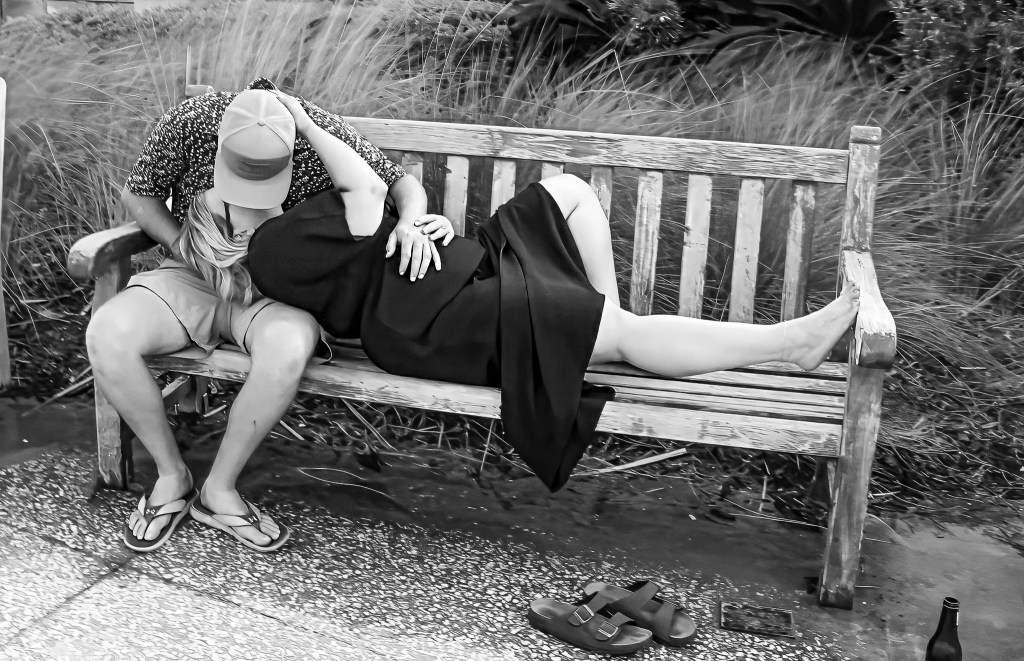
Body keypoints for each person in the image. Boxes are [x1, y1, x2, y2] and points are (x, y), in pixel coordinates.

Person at [181, 90, 862, 502]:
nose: (215, 186)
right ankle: (787, 345)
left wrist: (418, 222)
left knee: (568, 193)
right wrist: (303, 122)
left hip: (457, 271)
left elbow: (385, 210)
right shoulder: (273, 250)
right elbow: (367, 189)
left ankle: (598, 327)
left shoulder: (284, 227)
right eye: (215, 192)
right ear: (225, 223)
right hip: (435, 320)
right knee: (619, 335)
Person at [86, 80, 445, 553]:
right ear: (219, 143)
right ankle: (172, 477)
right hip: (193, 272)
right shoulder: (191, 121)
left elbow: (398, 183)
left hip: (273, 290)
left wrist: (411, 221)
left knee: (288, 347)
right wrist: (188, 250)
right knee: (107, 333)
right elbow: (141, 196)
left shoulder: (314, 129)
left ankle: (219, 490)